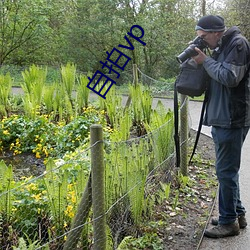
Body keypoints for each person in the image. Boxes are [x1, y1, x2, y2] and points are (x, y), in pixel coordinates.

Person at [192, 15, 250, 238]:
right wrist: (202, 60)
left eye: (204, 37)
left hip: (232, 118)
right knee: (227, 171)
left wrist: (205, 61)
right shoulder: (221, 46)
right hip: (222, 117)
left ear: (216, 32)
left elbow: (229, 77)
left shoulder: (238, 44)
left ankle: (228, 223)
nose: (203, 41)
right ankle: (237, 214)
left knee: (225, 171)